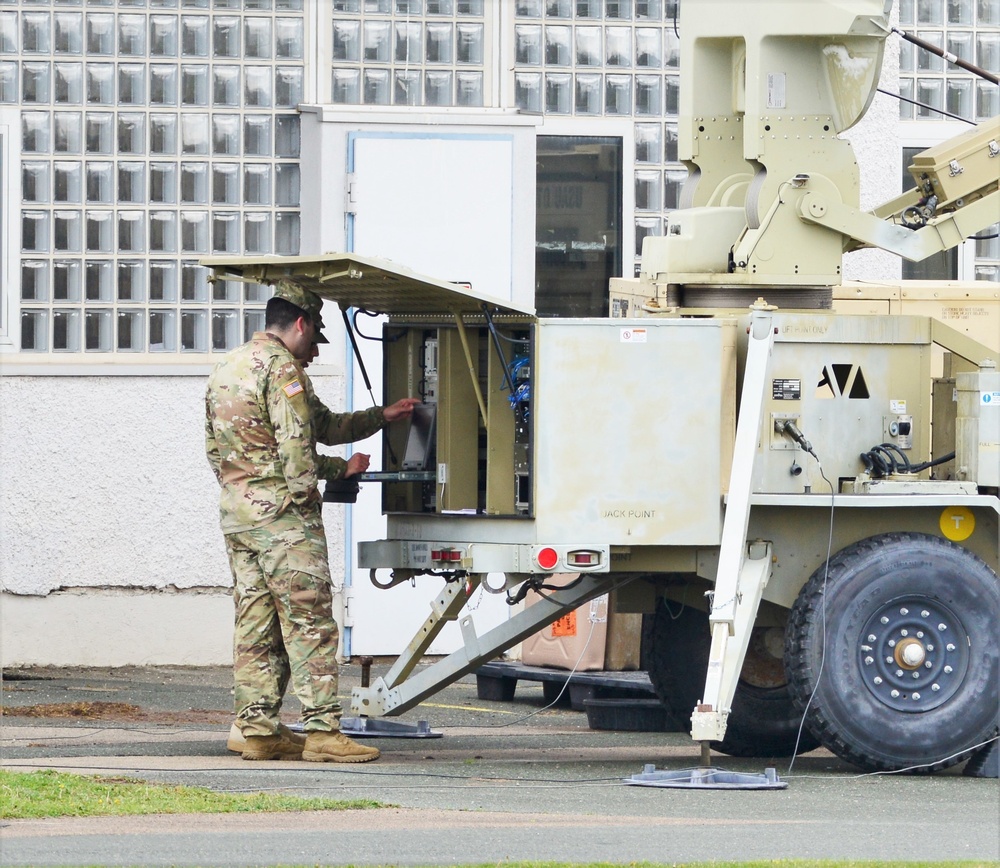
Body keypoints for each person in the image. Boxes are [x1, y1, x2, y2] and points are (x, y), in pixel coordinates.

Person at [205, 281, 418, 762]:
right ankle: (323, 732)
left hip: (239, 516)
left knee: (256, 626)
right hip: (284, 520)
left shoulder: (228, 366)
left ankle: (256, 731)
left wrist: (381, 416)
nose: (314, 348)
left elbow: (220, 448)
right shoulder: (282, 370)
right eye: (315, 334)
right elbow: (298, 454)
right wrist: (335, 473)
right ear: (301, 323)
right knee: (310, 622)